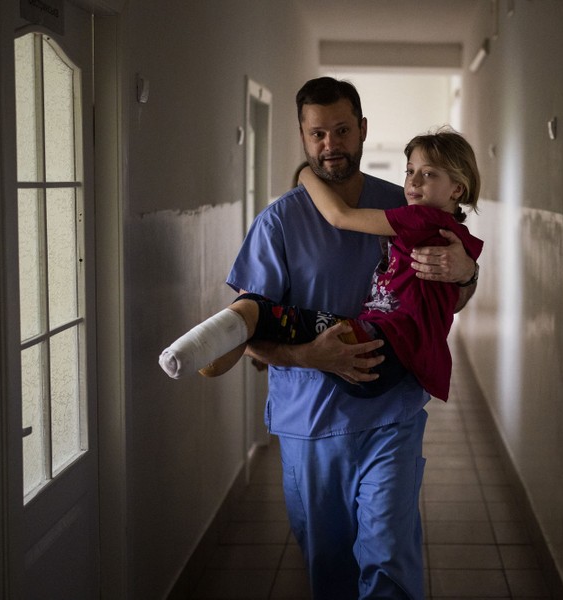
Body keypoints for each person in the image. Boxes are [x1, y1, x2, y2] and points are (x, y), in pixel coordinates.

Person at [219, 77, 477, 599]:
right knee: (329, 566)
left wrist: (465, 272)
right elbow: (250, 332)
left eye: (341, 130)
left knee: (389, 563)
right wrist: (310, 355)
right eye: (317, 134)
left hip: (392, 417)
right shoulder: (279, 222)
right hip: (311, 425)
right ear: (302, 136)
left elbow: (446, 299)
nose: (330, 145)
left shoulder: (403, 208)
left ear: (362, 130)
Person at [159, 128, 483, 403]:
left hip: (374, 347)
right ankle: (230, 339)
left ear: (457, 188)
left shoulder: (420, 217)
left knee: (259, 312)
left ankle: (214, 343)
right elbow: (450, 298)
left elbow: (340, 216)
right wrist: (469, 270)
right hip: (394, 363)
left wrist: (304, 174)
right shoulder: (459, 237)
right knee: (264, 318)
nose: (412, 183)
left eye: (428, 174)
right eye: (409, 171)